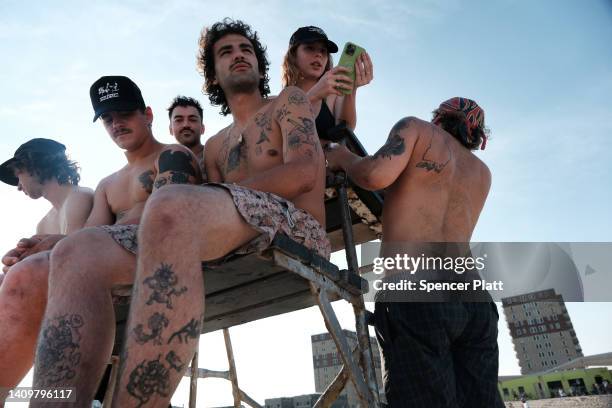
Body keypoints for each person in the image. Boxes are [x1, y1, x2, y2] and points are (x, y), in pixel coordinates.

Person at [100, 18, 329, 407]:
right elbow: (200, 209)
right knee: (78, 254)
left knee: (175, 203)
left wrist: (208, 196)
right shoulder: (216, 145)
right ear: (214, 74)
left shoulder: (289, 101)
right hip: (228, 244)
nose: (238, 55)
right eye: (226, 52)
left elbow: (306, 172)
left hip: (299, 233)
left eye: (246, 50)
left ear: (259, 64)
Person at [29, 75, 201, 407]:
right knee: (22, 275)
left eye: (124, 113)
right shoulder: (108, 185)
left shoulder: (173, 155)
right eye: (108, 119)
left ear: (147, 115)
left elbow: (167, 212)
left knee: (69, 251)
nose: (116, 123)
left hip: (159, 260)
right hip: (107, 270)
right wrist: (47, 244)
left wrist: (68, 244)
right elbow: (88, 237)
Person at [325, 97, 502, 407]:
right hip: (474, 300)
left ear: (438, 118)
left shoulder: (416, 130)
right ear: (476, 135)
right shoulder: (482, 172)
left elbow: (373, 176)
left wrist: (343, 157)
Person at [0, 139, 93, 399]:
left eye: (18, 175)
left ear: (34, 166)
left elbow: (80, 260)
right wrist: (15, 261)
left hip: (74, 298)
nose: (18, 186)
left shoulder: (81, 198)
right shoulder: (45, 222)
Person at [281, 26, 373, 140]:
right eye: (310, 48)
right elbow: (280, 125)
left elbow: (345, 129)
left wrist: (352, 89)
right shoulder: (280, 99)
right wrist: (315, 95)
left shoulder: (333, 95)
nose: (319, 54)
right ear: (293, 55)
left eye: (323, 51)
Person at [167, 95, 207, 178]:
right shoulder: (161, 162)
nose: (186, 125)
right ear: (170, 129)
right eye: (179, 120)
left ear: (202, 128)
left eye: (192, 119)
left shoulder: (216, 157)